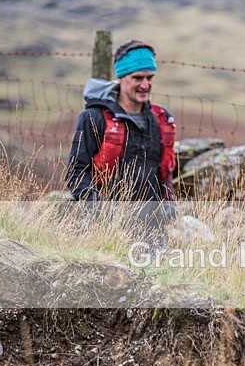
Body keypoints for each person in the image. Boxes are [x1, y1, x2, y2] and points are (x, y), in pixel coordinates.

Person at [65, 40, 176, 239]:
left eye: (150, 78)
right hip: (103, 229)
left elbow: (164, 172)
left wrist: (168, 204)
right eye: (138, 78)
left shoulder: (161, 119)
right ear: (121, 77)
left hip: (152, 230)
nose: (145, 85)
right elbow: (76, 172)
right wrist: (99, 210)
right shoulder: (94, 117)